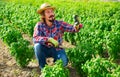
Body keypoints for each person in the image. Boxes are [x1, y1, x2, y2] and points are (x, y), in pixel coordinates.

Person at [33, 3, 83, 69]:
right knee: (37, 46)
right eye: (48, 12)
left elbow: (73, 29)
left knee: (64, 62)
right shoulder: (39, 25)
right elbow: (35, 38)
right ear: (43, 15)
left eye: (52, 11)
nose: (51, 14)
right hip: (44, 49)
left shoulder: (59, 24)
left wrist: (77, 26)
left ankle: (55, 65)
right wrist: (48, 39)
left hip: (57, 49)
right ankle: (43, 68)